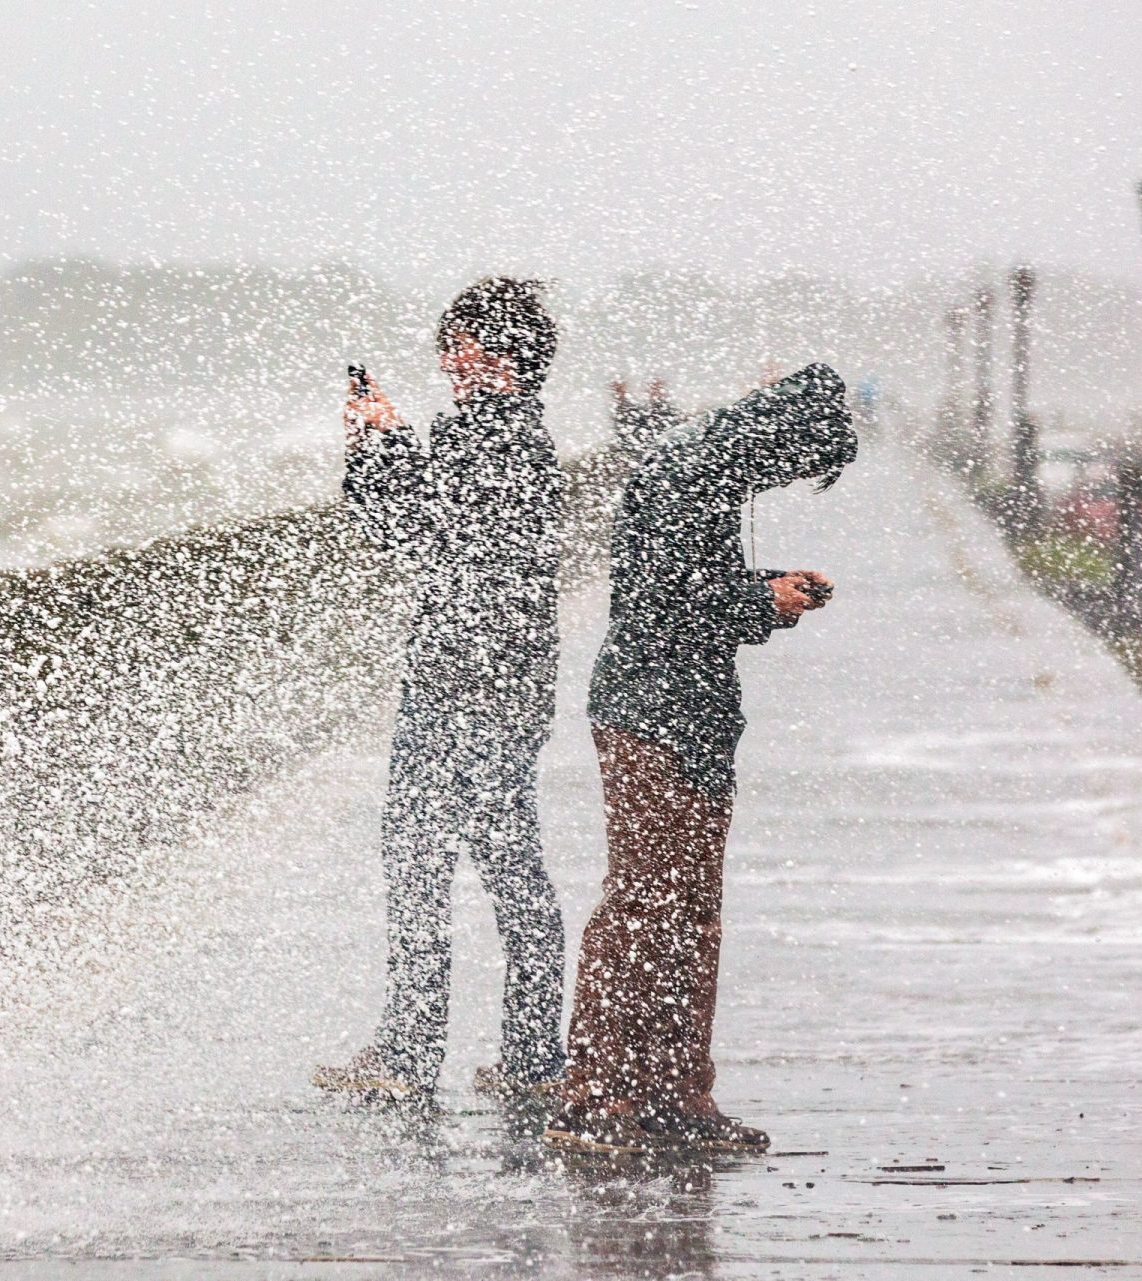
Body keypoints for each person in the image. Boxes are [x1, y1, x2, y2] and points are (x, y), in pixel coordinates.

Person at [542, 363, 858, 1155]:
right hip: (652, 718)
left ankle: (676, 1091)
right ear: (775, 440)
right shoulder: (690, 476)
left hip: (692, 717)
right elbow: (666, 604)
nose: (786, 480)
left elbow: (689, 587)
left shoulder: (702, 469)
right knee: (644, 904)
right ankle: (595, 1095)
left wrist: (766, 586)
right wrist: (765, 600)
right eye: (793, 466)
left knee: (689, 913)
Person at [313, 278, 567, 1103]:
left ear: (488, 352)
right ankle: (532, 1059)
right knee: (509, 862)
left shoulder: (485, 433)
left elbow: (418, 536)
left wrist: (378, 445)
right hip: (509, 674)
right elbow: (443, 533)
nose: (446, 362)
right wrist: (384, 449)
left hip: (461, 677)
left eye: (455, 345)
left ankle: (407, 1056)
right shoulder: (519, 434)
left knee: (421, 859)